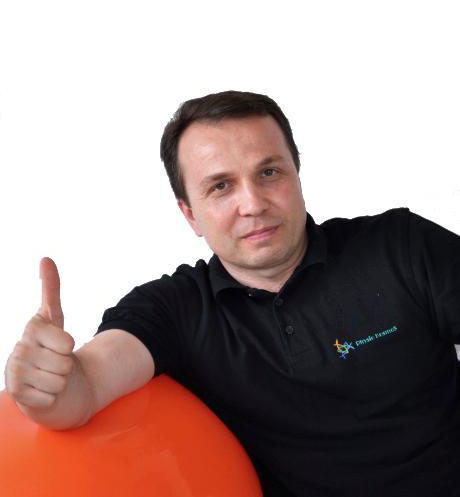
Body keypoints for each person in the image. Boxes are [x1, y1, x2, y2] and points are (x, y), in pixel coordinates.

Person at [4, 90, 460, 497]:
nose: (253, 204)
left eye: (269, 172)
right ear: (190, 215)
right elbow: (88, 384)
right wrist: (49, 388)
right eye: (221, 186)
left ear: (297, 176)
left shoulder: (402, 246)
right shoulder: (175, 310)